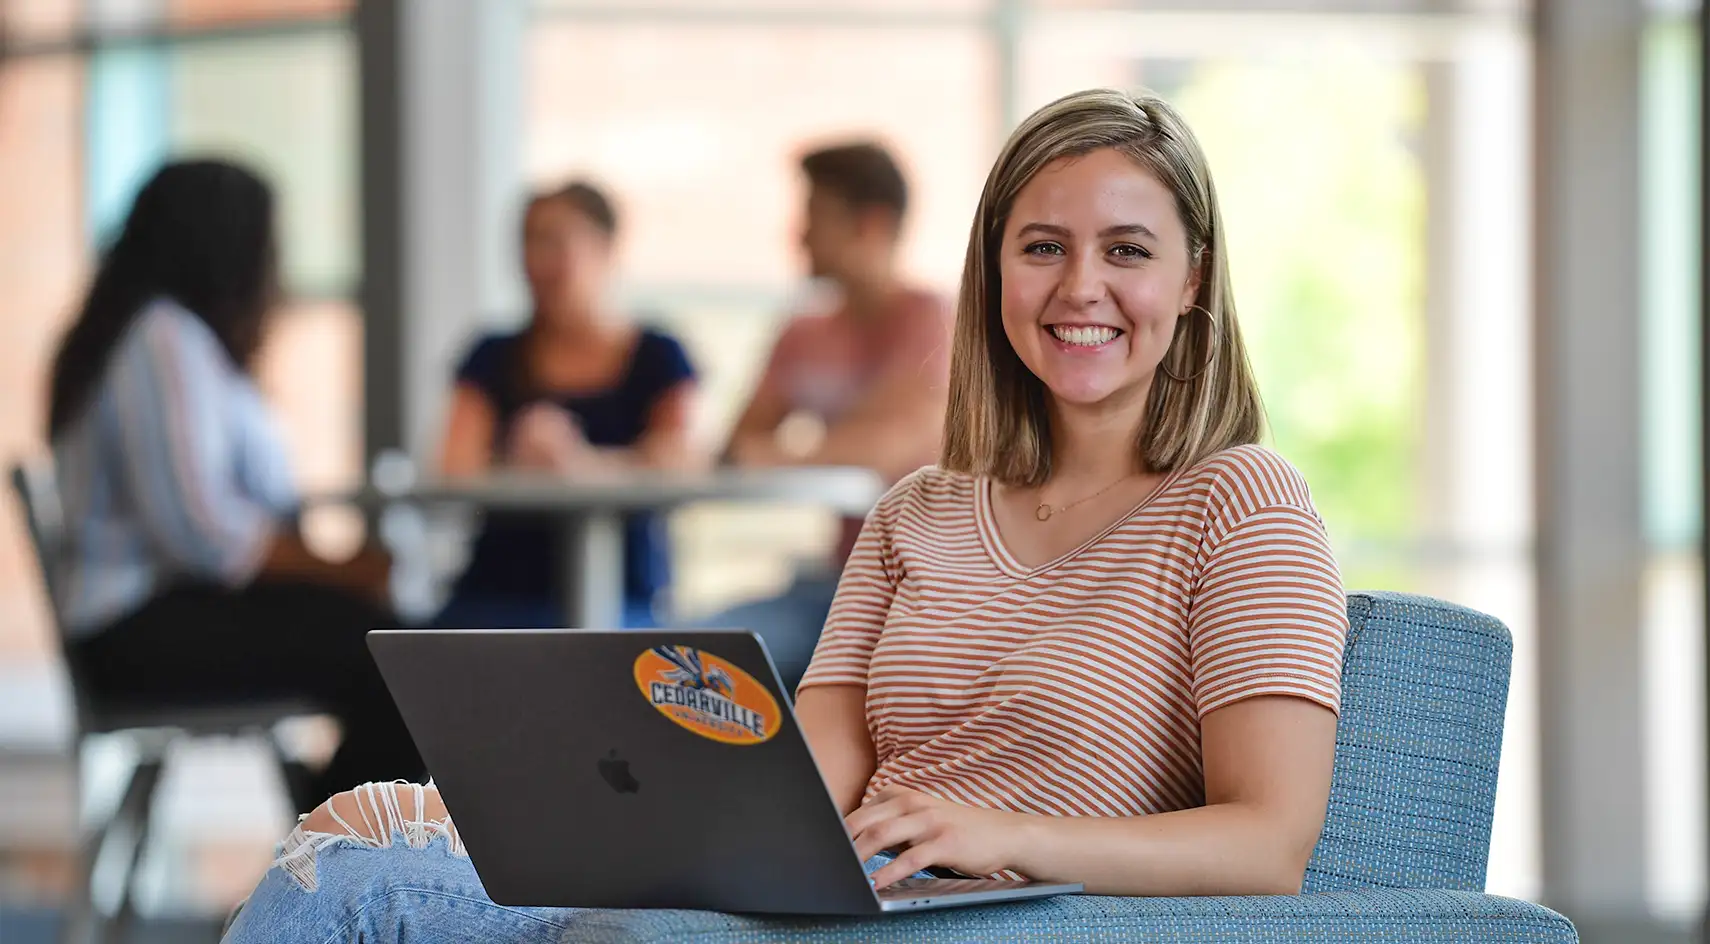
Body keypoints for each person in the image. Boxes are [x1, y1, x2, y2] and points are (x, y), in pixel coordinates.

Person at [221, 88, 1349, 941]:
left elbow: (1270, 841)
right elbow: (804, 774)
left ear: (1195, 277)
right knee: (363, 823)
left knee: (351, 875)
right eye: (1042, 247)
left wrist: (1008, 836)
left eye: (1128, 251)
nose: (1078, 287)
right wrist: (642, 815)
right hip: (824, 897)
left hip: (981, 911)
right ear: (994, 271)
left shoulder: (1240, 501)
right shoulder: (918, 512)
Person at [45, 160, 421, 812]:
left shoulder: (164, 338)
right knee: (400, 663)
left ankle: (326, 832)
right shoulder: (160, 340)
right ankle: (329, 859)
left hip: (159, 617)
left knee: (393, 646)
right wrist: (342, 569)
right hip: (137, 633)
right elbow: (205, 535)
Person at [697, 141, 952, 689]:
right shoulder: (803, 332)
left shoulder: (932, 318)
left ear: (871, 224)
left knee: (721, 665)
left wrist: (775, 453)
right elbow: (737, 447)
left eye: (815, 215)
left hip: (929, 590)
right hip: (840, 582)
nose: (800, 235)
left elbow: (889, 447)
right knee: (681, 652)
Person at [434, 181, 699, 630]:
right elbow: (453, 465)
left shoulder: (658, 354)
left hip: (625, 595)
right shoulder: (491, 355)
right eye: (528, 242)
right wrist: (519, 459)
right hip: (498, 592)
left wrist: (579, 463)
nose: (539, 261)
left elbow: (684, 460)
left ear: (606, 247)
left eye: (555, 242)